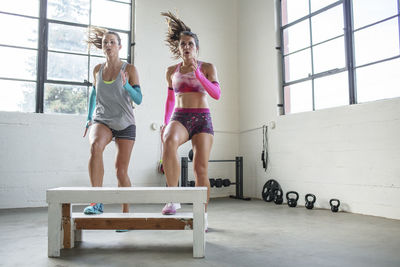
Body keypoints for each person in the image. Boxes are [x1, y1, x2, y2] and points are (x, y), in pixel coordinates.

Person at [160, 12, 221, 230]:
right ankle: (173, 196)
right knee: (168, 140)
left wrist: (199, 74)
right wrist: (166, 122)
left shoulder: (207, 67)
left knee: (200, 168)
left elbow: (216, 94)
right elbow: (170, 100)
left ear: (196, 48)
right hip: (180, 116)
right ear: (179, 48)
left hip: (202, 119)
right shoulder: (171, 71)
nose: (186, 47)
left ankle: (202, 215)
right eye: (183, 44)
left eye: (190, 44)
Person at [82, 27, 142, 215]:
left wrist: (126, 86)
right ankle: (96, 202)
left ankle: (125, 214)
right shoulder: (97, 69)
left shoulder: (130, 69)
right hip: (103, 120)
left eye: (112, 42)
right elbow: (94, 93)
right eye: (105, 42)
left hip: (125, 122)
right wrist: (88, 117)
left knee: (120, 172)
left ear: (120, 46)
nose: (108, 45)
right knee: (95, 146)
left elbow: (139, 99)